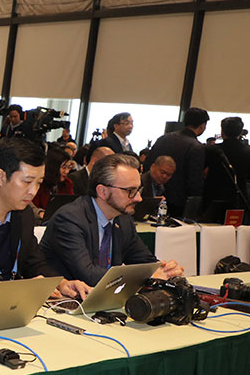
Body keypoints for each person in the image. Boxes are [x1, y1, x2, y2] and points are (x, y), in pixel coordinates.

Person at [0, 138, 90, 299]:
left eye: (39, 183)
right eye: (27, 182)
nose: (33, 191)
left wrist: (61, 283)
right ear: (1, 177)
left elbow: (35, 262)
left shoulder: (24, 214)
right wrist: (21, 288)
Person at [40, 153, 183, 286]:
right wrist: (146, 276)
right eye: (130, 191)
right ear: (102, 191)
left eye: (138, 190)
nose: (138, 198)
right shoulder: (70, 219)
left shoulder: (124, 220)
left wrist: (164, 270)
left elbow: (144, 261)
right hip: (65, 299)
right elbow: (89, 275)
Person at [145, 107, 209, 217]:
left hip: (153, 197)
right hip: (179, 203)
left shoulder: (163, 138)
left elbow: (148, 165)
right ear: (202, 126)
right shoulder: (196, 147)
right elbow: (194, 181)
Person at [203, 116, 250, 211]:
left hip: (213, 197)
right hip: (238, 199)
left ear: (222, 131)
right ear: (240, 132)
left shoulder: (210, 150)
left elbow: (202, 172)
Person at [31, 145, 75, 217]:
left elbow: (71, 205)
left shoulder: (67, 183)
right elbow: (33, 208)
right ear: (53, 167)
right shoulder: (40, 183)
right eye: (64, 167)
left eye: (69, 167)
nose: (67, 171)